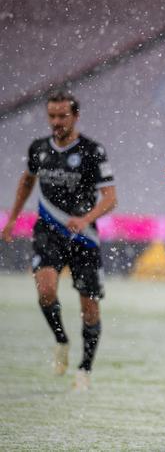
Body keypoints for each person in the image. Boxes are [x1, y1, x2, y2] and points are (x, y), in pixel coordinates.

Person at [1, 91, 117, 391]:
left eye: (62, 116)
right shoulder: (39, 149)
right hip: (49, 232)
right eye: (52, 116)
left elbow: (111, 198)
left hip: (83, 238)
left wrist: (86, 218)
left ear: (75, 116)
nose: (56, 122)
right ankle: (61, 340)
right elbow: (27, 180)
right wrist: (13, 217)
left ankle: (85, 370)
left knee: (89, 308)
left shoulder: (92, 151)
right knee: (45, 291)